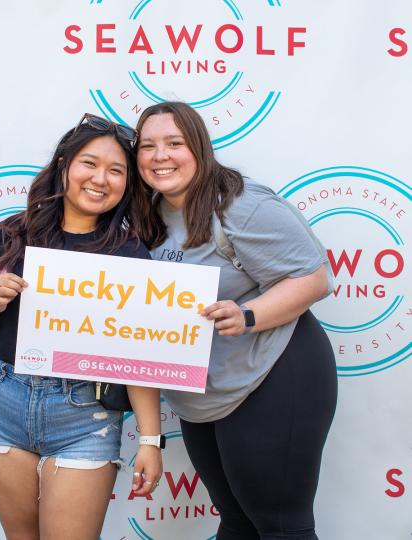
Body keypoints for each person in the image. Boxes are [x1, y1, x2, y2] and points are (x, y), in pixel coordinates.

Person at [0, 114, 162, 540]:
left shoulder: (129, 254)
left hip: (85, 413)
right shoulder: (11, 235)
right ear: (64, 165)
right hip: (3, 400)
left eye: (116, 170)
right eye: (90, 163)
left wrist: (150, 440)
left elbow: (139, 357)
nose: (101, 178)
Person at [135, 102, 337, 540]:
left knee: (282, 527)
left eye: (174, 143)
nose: (160, 155)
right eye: (147, 146)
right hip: (204, 391)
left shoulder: (240, 205)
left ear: (200, 148)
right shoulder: (150, 211)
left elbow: (315, 278)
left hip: (273, 372)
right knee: (238, 524)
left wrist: (248, 315)